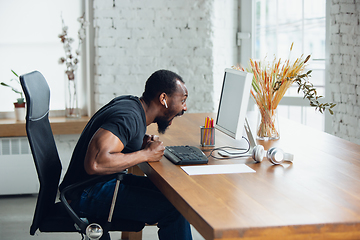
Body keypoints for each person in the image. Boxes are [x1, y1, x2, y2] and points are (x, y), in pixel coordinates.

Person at [59, 69, 191, 240]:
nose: (184, 107)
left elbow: (116, 139)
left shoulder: (132, 105)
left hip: (95, 185)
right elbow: (96, 163)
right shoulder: (128, 116)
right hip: (85, 193)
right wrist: (146, 154)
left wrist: (139, 142)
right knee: (175, 210)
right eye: (182, 100)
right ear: (163, 99)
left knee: (175, 197)